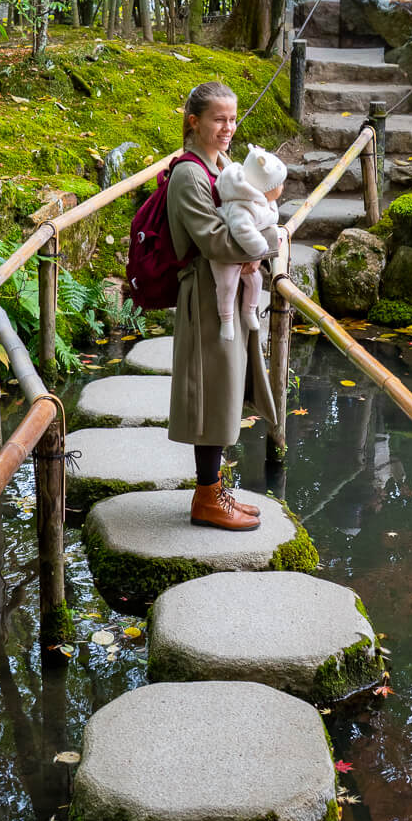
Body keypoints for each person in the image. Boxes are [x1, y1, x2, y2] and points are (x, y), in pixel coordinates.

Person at [167, 82, 279, 531]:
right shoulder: (188, 175)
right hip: (205, 296)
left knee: (228, 385)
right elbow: (215, 240)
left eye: (233, 119)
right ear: (194, 122)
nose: (228, 128)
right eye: (219, 119)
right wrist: (271, 241)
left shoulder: (223, 165)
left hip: (227, 291)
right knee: (212, 389)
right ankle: (207, 497)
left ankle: (215, 490)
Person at [212, 145, 287, 341]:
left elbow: (267, 222)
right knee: (226, 286)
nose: (283, 188)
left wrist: (276, 234)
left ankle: (249, 311)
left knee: (256, 281)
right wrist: (260, 250)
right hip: (226, 257)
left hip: (244, 253)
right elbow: (242, 230)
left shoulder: (263, 199)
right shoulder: (242, 206)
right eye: (280, 184)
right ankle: (226, 321)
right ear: (266, 187)